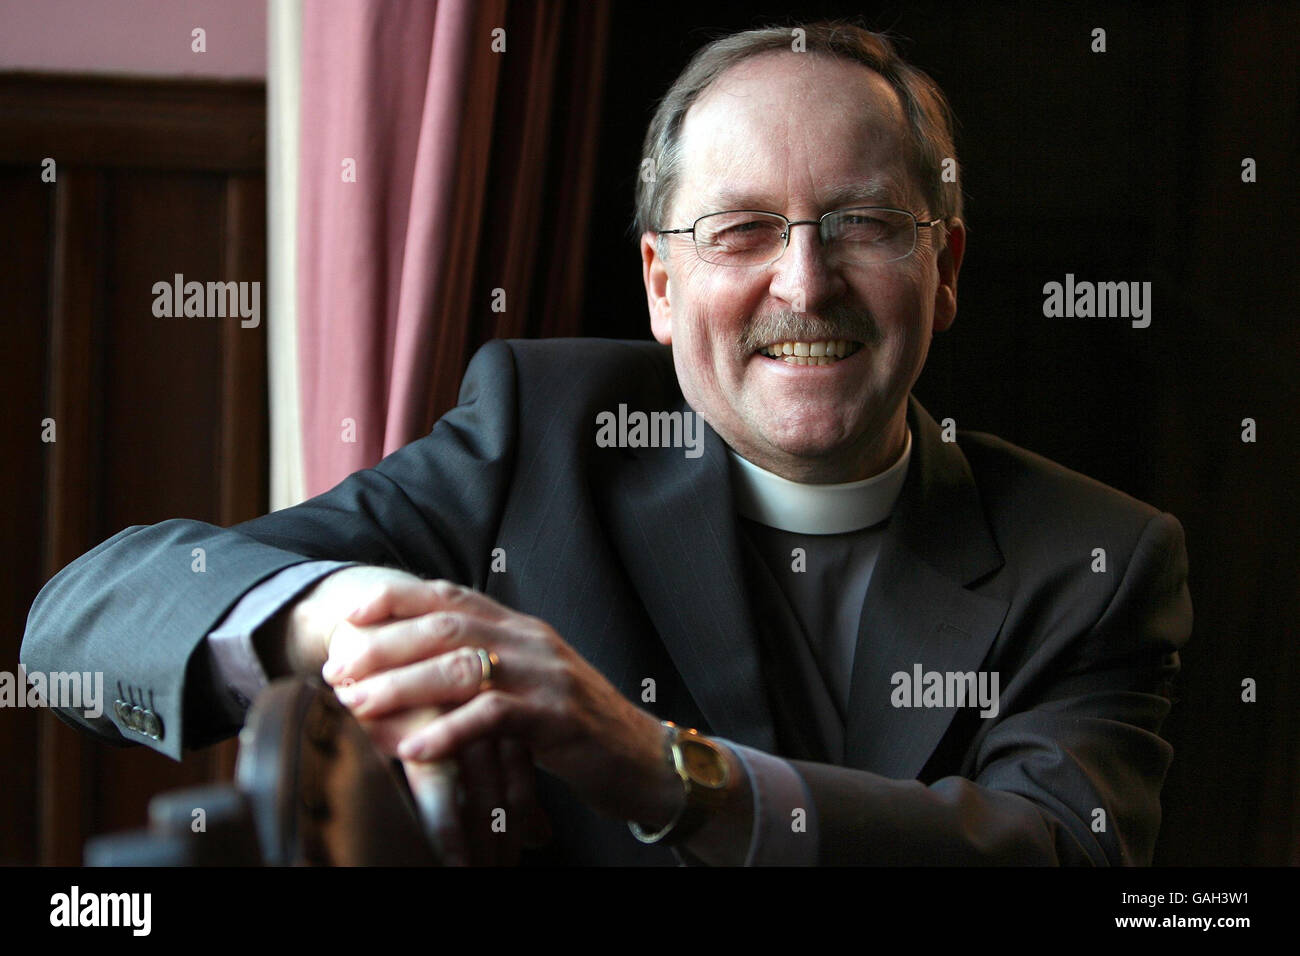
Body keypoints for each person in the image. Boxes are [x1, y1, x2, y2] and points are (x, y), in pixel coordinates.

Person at [22, 22, 1191, 866]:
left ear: (945, 274)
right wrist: (358, 614)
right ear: (660, 284)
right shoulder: (540, 434)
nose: (805, 281)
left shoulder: (1095, 559)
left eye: (864, 225)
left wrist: (662, 767)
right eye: (741, 231)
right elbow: (83, 616)